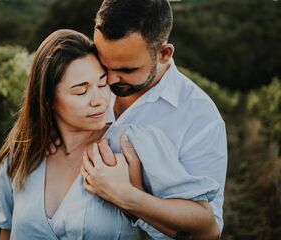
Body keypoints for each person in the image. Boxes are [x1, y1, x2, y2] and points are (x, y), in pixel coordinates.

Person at [0, 29, 221, 240]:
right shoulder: (22, 154)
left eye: (102, 85)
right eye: (81, 90)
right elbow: (7, 230)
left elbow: (206, 231)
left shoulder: (132, 144)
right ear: (48, 99)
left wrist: (128, 196)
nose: (100, 101)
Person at [79, 0, 228, 239]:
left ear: (164, 54)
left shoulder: (200, 117)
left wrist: (129, 197)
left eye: (127, 70)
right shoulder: (80, 79)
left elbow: (207, 231)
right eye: (103, 64)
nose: (110, 79)